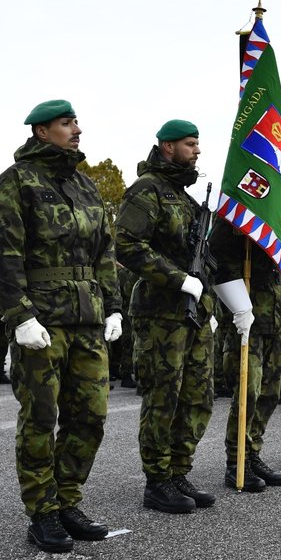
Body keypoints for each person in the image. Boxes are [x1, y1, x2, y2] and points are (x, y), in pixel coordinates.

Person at [0, 99, 122, 552]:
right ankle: (41, 512)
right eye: (67, 123)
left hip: (87, 320)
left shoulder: (85, 186)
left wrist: (114, 306)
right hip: (42, 320)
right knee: (41, 417)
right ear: (43, 131)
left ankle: (67, 501)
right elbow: (0, 257)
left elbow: (104, 253)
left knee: (91, 416)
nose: (77, 129)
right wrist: (19, 316)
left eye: (76, 122)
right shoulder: (14, 183)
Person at [115, 119, 217, 512]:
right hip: (161, 312)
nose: (197, 150)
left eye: (197, 144)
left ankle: (178, 472)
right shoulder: (147, 190)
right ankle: (157, 481)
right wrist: (177, 280)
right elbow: (126, 244)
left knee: (197, 396)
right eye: (190, 144)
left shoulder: (185, 198)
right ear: (167, 146)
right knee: (164, 397)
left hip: (195, 313)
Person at [209, 219, 281, 493]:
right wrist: (238, 307)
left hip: (274, 319)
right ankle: (237, 461)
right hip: (247, 319)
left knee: (270, 393)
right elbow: (219, 262)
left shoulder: (277, 215)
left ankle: (253, 453)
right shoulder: (237, 215)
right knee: (249, 393)